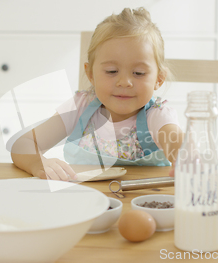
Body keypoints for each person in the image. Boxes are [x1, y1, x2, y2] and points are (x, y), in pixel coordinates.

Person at [11, 7, 184, 181]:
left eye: (138, 73)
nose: (124, 82)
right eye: (111, 71)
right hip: (85, 201)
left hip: (142, 201)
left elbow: (177, 143)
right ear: (91, 74)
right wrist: (39, 164)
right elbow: (22, 145)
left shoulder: (157, 116)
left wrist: (184, 156)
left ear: (159, 79)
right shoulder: (80, 107)